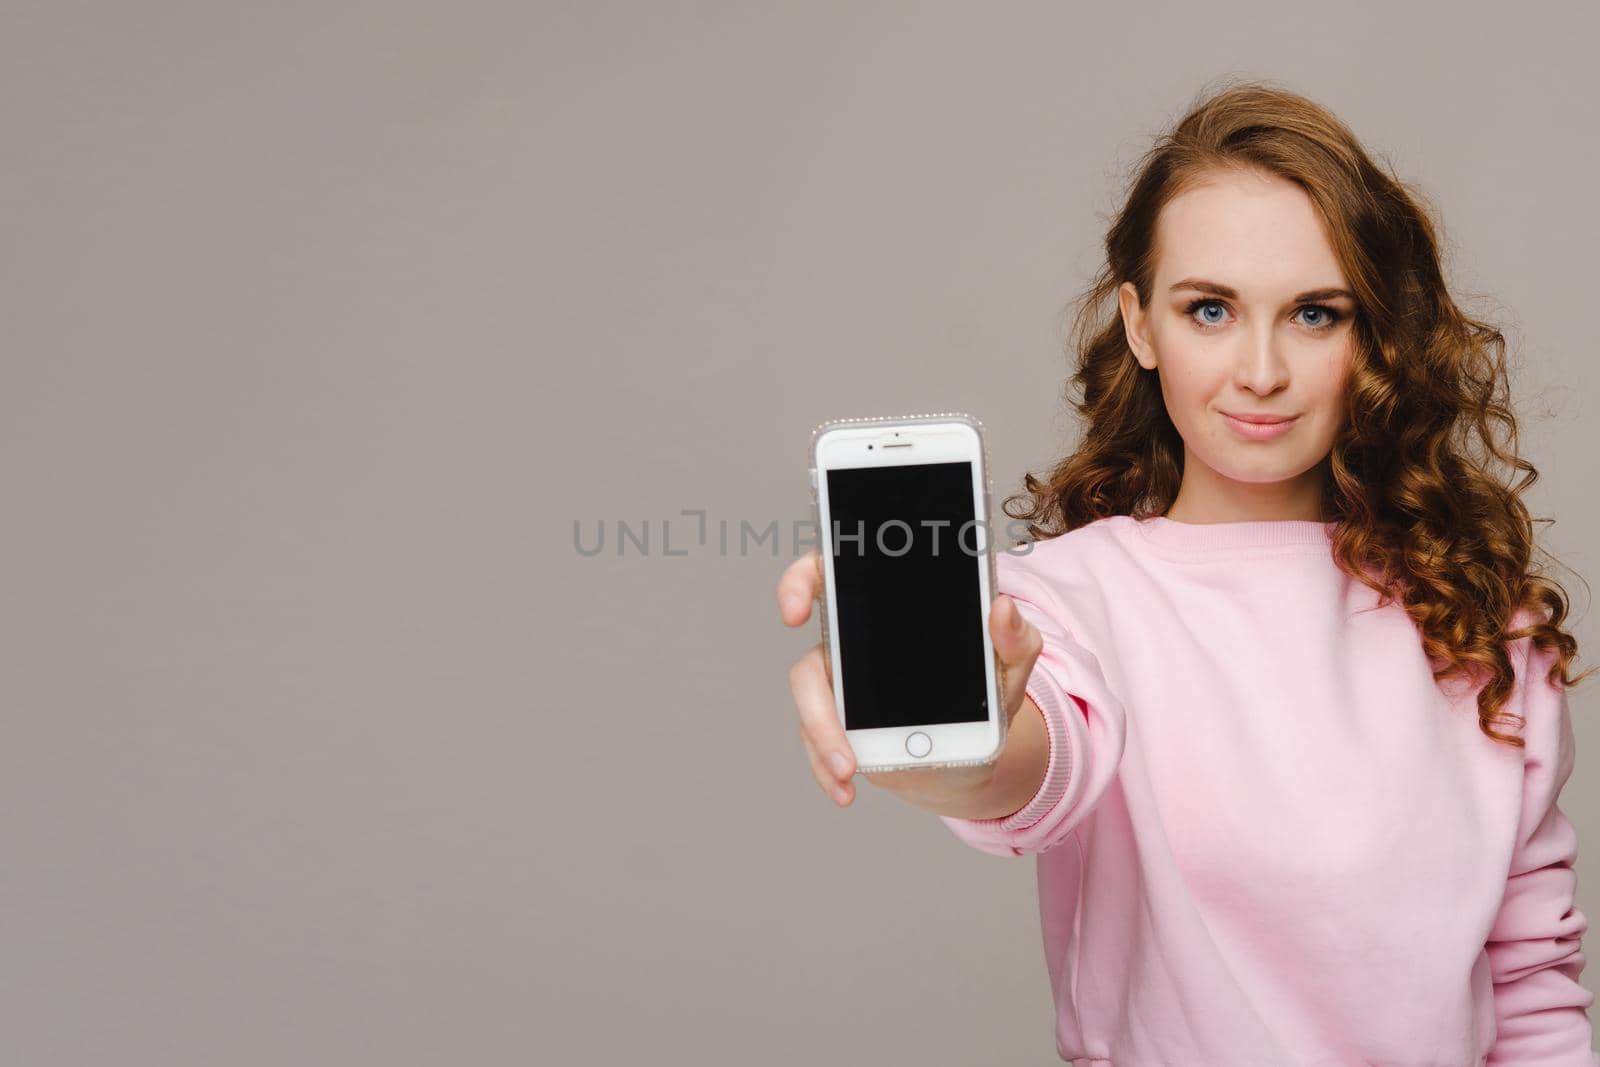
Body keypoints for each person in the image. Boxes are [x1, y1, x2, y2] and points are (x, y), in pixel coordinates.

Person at [776, 80, 1599, 1065]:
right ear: (1138, 323)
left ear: (1372, 334)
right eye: (1208, 308)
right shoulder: (1058, 603)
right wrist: (941, 727)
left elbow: (1529, 985)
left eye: (1314, 313)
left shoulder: (1480, 623)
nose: (1258, 369)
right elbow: (1030, 764)